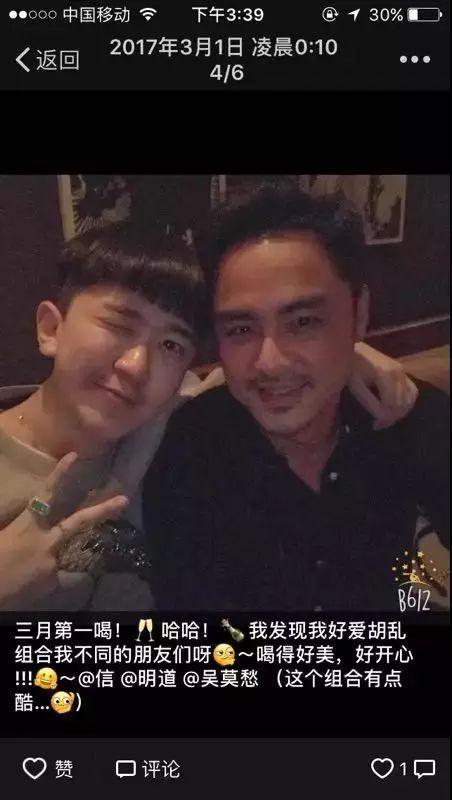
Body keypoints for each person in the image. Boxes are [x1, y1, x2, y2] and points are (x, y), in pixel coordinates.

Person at [0, 215, 417, 610]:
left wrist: (347, 352)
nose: (135, 367)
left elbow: (248, 376)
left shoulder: (161, 426)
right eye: (119, 326)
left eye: (171, 346)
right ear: (51, 329)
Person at [143, 188, 449, 611]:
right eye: (241, 330)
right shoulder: (189, 454)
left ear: (359, 314)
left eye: (303, 322)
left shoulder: (407, 416)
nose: (269, 363)